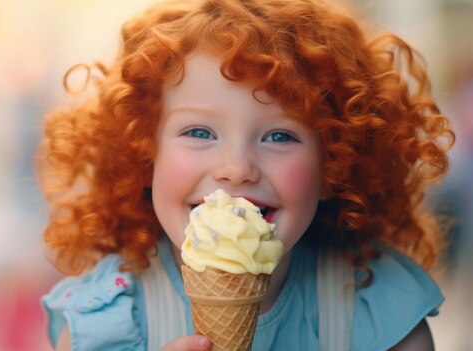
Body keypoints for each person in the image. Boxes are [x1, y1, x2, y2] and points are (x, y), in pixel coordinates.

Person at [37, 0, 454, 350]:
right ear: (144, 156)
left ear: (334, 163)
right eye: (199, 132)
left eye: (279, 135)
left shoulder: (378, 315)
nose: (236, 169)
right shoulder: (104, 323)